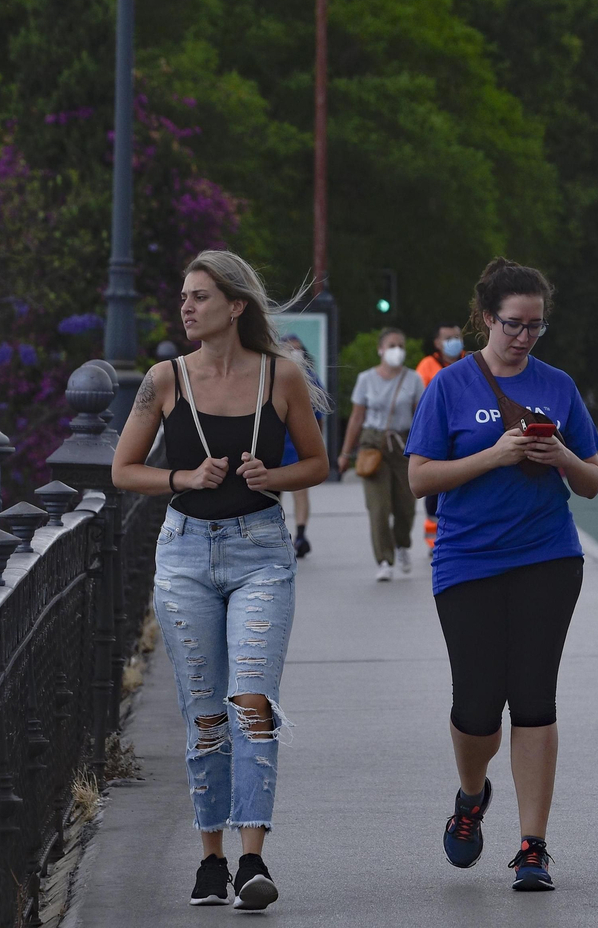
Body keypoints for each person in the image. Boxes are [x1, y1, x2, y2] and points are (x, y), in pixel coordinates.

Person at [112, 250, 329, 911]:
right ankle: (211, 859)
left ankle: (252, 859)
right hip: (185, 555)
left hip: (260, 551)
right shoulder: (165, 379)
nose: (186, 306)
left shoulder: (281, 375)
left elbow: (318, 463)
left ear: (235, 307)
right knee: (206, 712)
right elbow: (123, 469)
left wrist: (273, 477)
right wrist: (182, 477)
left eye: (200, 296)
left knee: (251, 703)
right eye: (183, 296)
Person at [406, 258, 598, 893]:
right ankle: (471, 795)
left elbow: (592, 481)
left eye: (536, 325)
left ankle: (532, 846)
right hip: (468, 561)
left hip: (548, 556)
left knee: (535, 698)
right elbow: (419, 478)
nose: (524, 336)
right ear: (487, 318)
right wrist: (493, 457)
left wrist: (560, 453)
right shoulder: (450, 385)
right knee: (477, 707)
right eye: (514, 323)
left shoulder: (558, 385)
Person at [336, 328, 424, 580]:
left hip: (404, 443)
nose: (397, 350)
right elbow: (356, 417)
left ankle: (402, 544)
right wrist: (345, 453)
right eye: (392, 345)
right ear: (380, 350)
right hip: (372, 444)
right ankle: (384, 559)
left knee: (406, 506)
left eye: (401, 345)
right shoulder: (366, 379)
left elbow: (421, 416)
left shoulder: (413, 379)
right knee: (378, 507)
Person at [415, 323, 466, 550]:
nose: (454, 341)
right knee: (434, 492)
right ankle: (434, 541)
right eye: (448, 338)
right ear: (437, 343)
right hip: (438, 434)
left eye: (457, 337)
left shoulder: (472, 362)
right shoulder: (427, 366)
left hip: (464, 431)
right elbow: (421, 402)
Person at [278, 333, 325, 558]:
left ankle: (301, 534)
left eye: (298, 349)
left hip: (297, 444)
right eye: (289, 349)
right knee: (273, 493)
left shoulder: (310, 378)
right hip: (275, 445)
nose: (295, 353)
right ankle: (278, 533)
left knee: (300, 491)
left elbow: (319, 414)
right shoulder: (271, 376)